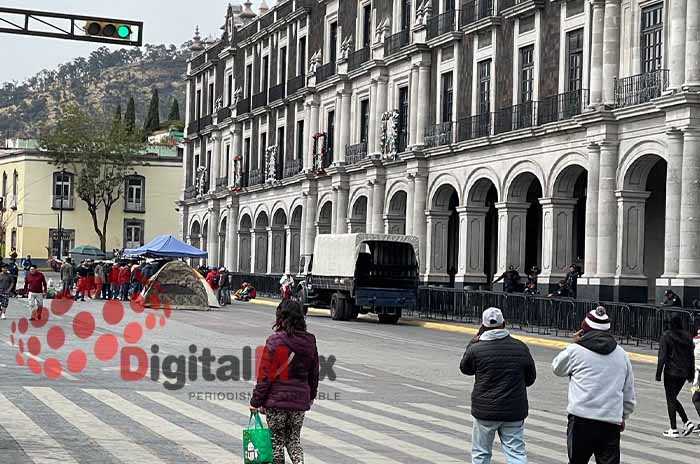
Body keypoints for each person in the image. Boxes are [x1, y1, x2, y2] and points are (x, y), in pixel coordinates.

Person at [552, 306, 636, 463]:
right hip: (610, 421)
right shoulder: (622, 354)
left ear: (584, 330)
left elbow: (557, 368)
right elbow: (628, 393)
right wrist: (623, 416)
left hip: (581, 419)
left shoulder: (575, 351)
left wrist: (572, 344)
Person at [460, 307, 537, 464]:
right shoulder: (520, 347)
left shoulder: (476, 348)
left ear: (483, 325)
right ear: (504, 324)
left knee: (481, 453)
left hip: (485, 410)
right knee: (516, 452)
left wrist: (472, 343)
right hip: (514, 410)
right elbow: (530, 379)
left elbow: (465, 369)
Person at [250, 299, 319, 464]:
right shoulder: (310, 341)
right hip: (299, 400)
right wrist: (311, 395)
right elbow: (314, 372)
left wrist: (256, 401)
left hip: (276, 401)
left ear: (280, 317)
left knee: (276, 442)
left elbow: (265, 375)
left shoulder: (275, 340)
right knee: (294, 441)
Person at [656, 315, 696, 437]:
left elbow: (662, 356)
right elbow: (691, 357)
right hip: (683, 373)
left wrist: (658, 373)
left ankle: (673, 428)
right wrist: (691, 373)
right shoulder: (688, 337)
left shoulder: (667, 336)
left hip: (670, 372)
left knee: (671, 399)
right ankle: (687, 422)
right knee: (672, 398)